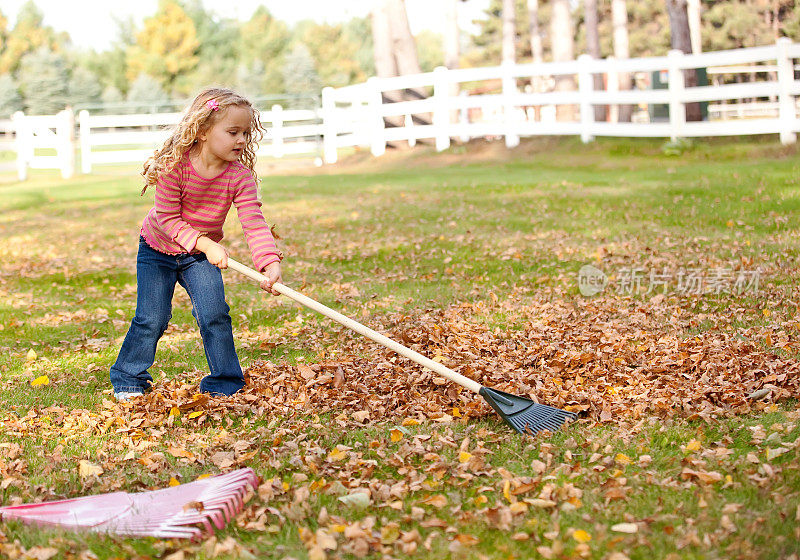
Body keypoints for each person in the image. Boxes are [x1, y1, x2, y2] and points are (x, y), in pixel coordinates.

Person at [109, 87, 282, 402]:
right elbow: (167, 218)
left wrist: (269, 262)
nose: (242, 140)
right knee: (153, 316)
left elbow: (253, 221)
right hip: (157, 250)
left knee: (215, 313)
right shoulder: (174, 166)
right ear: (202, 130)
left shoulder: (238, 177)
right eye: (233, 132)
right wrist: (205, 243)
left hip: (199, 257)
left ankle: (225, 381)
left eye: (246, 132)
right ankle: (129, 376)